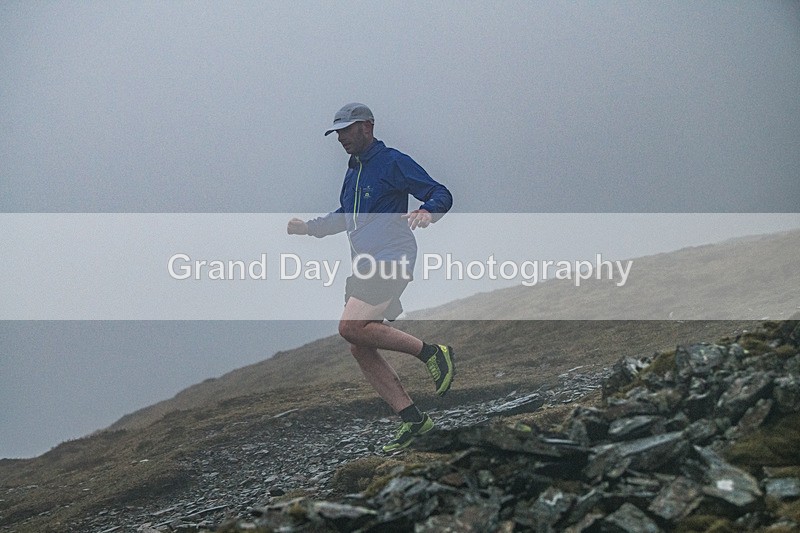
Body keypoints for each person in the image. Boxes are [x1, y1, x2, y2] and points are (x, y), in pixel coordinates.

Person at [287, 102, 455, 452]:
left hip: (393, 256)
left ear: (367, 127)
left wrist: (428, 210)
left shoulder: (392, 161)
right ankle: (414, 421)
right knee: (358, 344)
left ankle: (433, 354)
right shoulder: (352, 173)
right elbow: (344, 217)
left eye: (347, 130)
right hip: (364, 266)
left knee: (349, 327)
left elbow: (441, 192)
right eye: (337, 133)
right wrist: (309, 229)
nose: (341, 138)